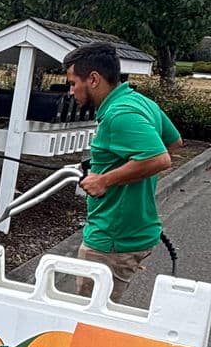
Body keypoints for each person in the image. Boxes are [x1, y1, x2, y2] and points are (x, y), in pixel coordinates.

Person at [63, 41, 182, 303]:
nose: (71, 91)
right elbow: (173, 142)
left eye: (73, 83)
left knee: (90, 316)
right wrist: (125, 168)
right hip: (131, 231)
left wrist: (105, 180)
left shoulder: (120, 114)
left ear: (93, 79)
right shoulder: (140, 102)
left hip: (112, 239)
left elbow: (160, 158)